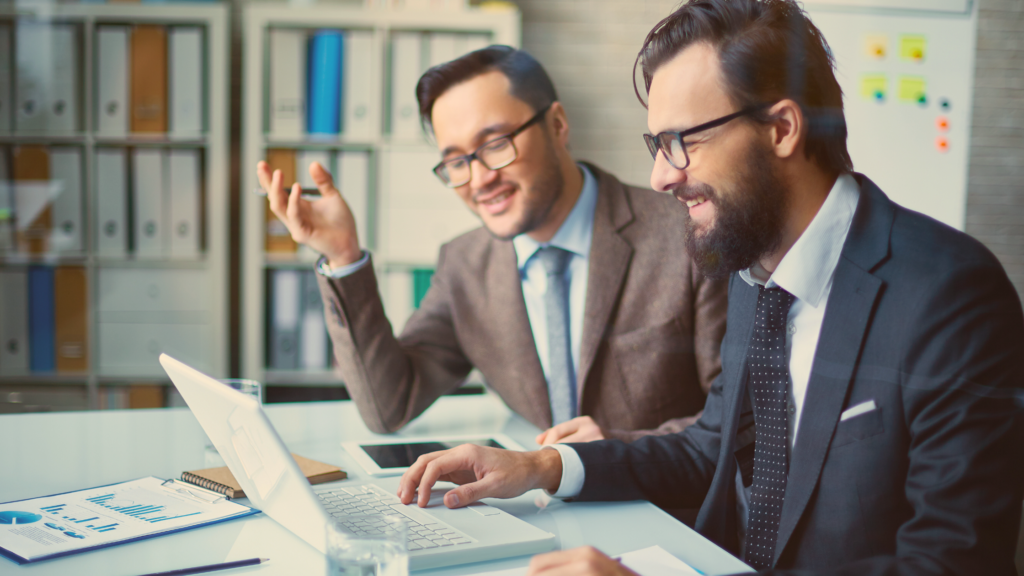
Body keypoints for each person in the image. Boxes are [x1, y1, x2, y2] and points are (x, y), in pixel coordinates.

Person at [394, 1, 1024, 575]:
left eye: (680, 142)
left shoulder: (951, 295)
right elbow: (714, 444)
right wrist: (543, 467)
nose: (660, 176)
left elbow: (951, 563)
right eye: (655, 144)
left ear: (781, 130)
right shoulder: (754, 272)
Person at [256, 46, 729, 444]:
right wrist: (343, 257)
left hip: (665, 518)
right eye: (456, 161)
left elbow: (737, 418)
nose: (479, 179)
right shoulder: (465, 264)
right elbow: (389, 404)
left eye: (496, 144)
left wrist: (616, 451)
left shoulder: (686, 233)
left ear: (558, 125)